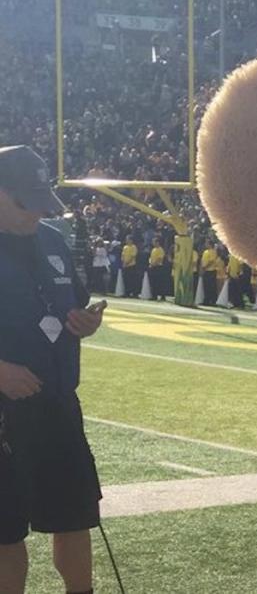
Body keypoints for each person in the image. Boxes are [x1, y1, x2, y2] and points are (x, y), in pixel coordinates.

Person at [0, 146, 104, 594]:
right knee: (5, 533)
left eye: (42, 198)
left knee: (74, 519)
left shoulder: (54, 241)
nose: (37, 211)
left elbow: (73, 306)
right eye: (26, 200)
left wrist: (87, 322)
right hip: (5, 416)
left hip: (59, 406)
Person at [148, 237, 167, 302]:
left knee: (160, 282)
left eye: (154, 242)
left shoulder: (160, 250)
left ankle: (163, 296)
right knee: (154, 282)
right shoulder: (153, 249)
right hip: (153, 267)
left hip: (158, 267)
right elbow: (151, 257)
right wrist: (150, 263)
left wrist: (154, 264)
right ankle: (154, 295)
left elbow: (160, 259)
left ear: (158, 242)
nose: (153, 243)